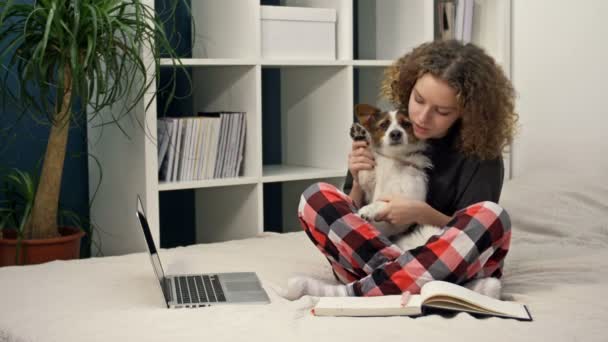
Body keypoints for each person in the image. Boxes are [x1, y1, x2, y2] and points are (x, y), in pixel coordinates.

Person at [288, 40, 518, 298]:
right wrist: (355, 180)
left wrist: (419, 213)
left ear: (467, 114)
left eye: (441, 111)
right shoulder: (383, 138)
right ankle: (438, 288)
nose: (421, 117)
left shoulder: (482, 157)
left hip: (441, 258)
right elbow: (352, 218)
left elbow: (472, 232)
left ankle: (351, 294)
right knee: (315, 197)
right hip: (381, 254)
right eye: (418, 100)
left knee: (492, 217)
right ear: (408, 87)